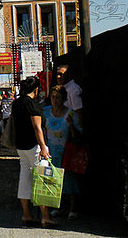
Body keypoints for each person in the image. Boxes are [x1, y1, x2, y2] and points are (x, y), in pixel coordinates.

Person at [11, 76, 55, 228]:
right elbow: (37, 128)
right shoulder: (33, 105)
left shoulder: (16, 103)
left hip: (21, 146)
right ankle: (45, 216)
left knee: (24, 179)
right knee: (41, 179)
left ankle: (26, 214)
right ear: (36, 90)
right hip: (34, 146)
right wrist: (43, 146)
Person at [43, 85, 82, 219]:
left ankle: (73, 208)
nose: (55, 100)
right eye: (53, 97)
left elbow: (78, 135)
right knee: (53, 180)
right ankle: (56, 207)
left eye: (58, 97)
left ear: (63, 99)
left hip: (67, 152)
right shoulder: (46, 112)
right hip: (51, 152)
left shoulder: (71, 114)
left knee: (70, 181)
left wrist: (71, 125)